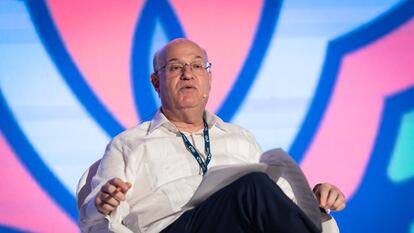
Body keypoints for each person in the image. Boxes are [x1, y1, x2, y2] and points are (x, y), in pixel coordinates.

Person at [78, 38, 345, 233]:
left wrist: (317, 205)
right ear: (156, 83)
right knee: (252, 184)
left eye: (197, 66)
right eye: (174, 67)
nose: (187, 75)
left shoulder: (240, 138)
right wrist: (103, 204)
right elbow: (92, 222)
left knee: (259, 188)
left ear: (208, 78)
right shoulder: (128, 144)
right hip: (170, 228)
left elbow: (282, 209)